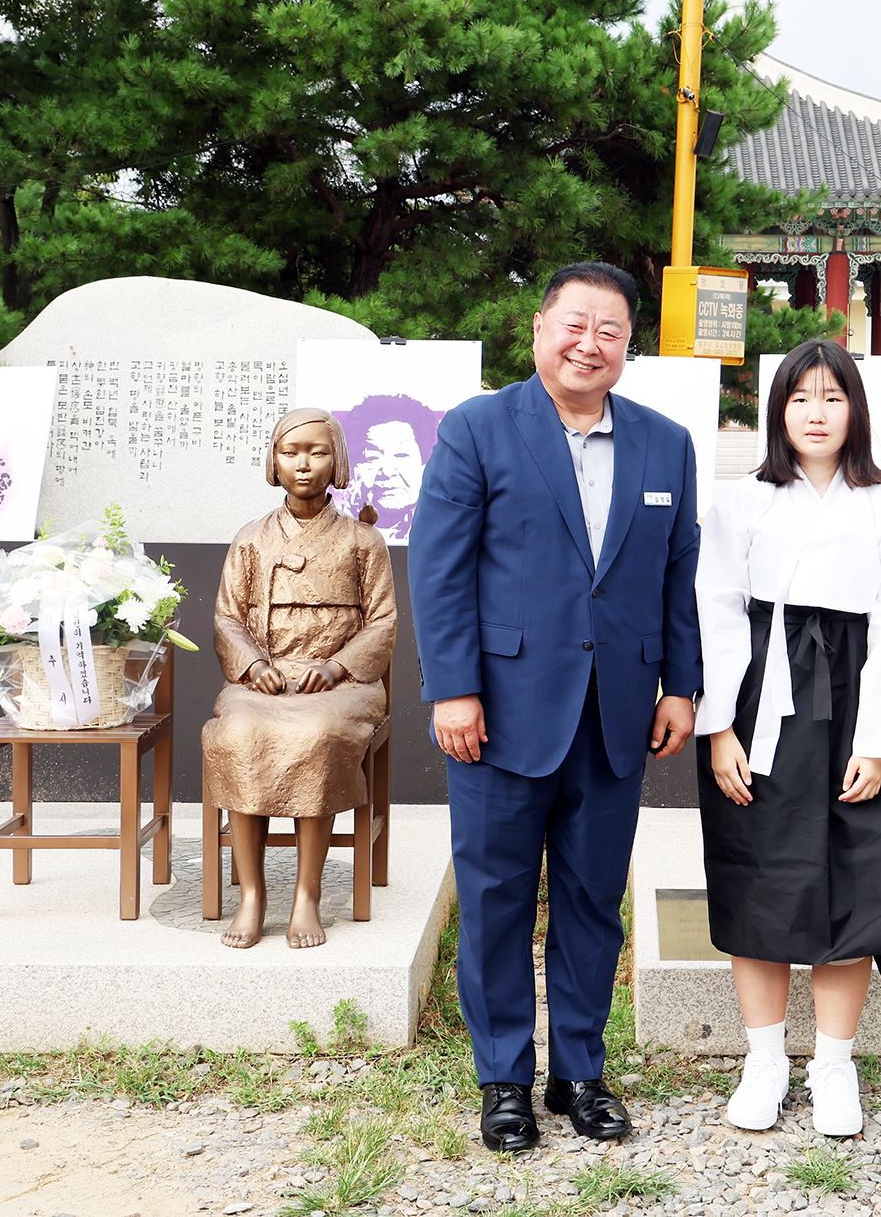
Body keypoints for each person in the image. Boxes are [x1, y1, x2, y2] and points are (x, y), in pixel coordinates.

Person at [410, 262, 700, 1152]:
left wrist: (681, 684)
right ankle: (503, 1079)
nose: (589, 343)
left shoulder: (666, 444)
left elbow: (677, 572)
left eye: (609, 330)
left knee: (591, 899)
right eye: (574, 324)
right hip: (499, 710)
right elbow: (439, 567)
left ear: (628, 347)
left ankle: (580, 1069)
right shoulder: (478, 429)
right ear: (538, 329)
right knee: (495, 897)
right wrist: (453, 687)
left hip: (618, 711)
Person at [695, 339, 881, 1138]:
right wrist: (719, 728)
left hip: (852, 698)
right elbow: (717, 609)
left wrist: (876, 740)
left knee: (856, 875)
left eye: (832, 397)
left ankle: (835, 1067)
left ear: (855, 410)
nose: (816, 412)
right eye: (800, 397)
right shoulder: (741, 500)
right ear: (778, 410)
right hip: (760, 703)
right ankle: (765, 1060)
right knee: (760, 875)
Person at [202, 409, 396, 949]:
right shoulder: (251, 538)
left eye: (317, 451)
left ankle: (307, 895)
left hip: (339, 686)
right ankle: (252, 895)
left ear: (337, 460)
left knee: (314, 738)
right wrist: (254, 666)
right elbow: (226, 618)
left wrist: (335, 666)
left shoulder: (363, 541)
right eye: (291, 452)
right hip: (261, 682)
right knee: (238, 736)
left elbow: (382, 621)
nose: (304, 464)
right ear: (273, 461)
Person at [331, 394, 442, 541]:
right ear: (353, 469)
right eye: (372, 457)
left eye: (401, 455)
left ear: (424, 466)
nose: (388, 472)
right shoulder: (332, 528)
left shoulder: (442, 526)